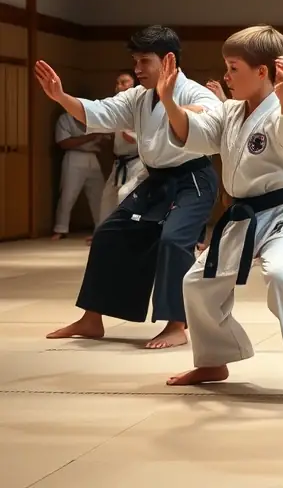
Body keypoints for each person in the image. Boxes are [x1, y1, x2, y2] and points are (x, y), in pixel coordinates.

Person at [164, 26, 283, 404]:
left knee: (282, 275)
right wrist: (168, 101)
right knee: (197, 283)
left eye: (233, 69)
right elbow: (195, 134)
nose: (227, 77)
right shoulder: (231, 112)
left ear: (262, 72)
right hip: (244, 218)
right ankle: (215, 360)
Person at [35, 26, 221, 350]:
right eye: (135, 61)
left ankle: (176, 323)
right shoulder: (137, 97)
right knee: (109, 234)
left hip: (192, 181)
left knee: (174, 240)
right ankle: (92, 318)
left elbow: (212, 115)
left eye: (143, 61)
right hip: (156, 179)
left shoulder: (192, 92)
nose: (136, 69)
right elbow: (100, 112)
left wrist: (177, 106)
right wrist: (61, 97)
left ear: (168, 61)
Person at [97, 71, 148, 223]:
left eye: (124, 82)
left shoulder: (143, 104)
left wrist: (132, 137)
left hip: (137, 160)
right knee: (108, 197)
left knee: (125, 194)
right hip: (120, 162)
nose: (120, 86)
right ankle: (103, 233)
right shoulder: (115, 105)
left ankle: (126, 231)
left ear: (134, 84)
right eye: (118, 83)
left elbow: (150, 137)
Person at [51, 111, 105, 240]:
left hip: (93, 156)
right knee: (68, 194)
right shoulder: (65, 119)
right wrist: (91, 137)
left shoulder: (94, 118)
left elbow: (104, 141)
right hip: (74, 156)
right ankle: (61, 228)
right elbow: (64, 142)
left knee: (99, 195)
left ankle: (101, 227)